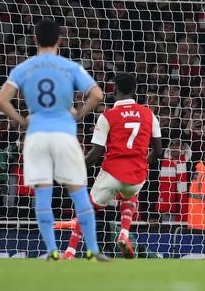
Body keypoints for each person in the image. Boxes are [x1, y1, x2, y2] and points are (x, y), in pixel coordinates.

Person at [0, 19, 109, 261]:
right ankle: (93, 250)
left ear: (34, 40)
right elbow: (97, 94)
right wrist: (79, 113)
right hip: (64, 134)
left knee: (43, 194)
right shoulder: (69, 67)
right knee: (78, 193)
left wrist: (21, 120)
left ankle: (51, 250)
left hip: (37, 136)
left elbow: (1, 100)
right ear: (60, 40)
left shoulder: (25, 68)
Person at [63, 73, 162, 259]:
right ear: (135, 90)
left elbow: (96, 153)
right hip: (137, 176)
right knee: (129, 195)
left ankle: (70, 251)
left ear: (114, 89)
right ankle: (124, 233)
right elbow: (158, 151)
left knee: (88, 208)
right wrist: (141, 164)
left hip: (112, 172)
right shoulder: (150, 115)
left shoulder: (108, 116)